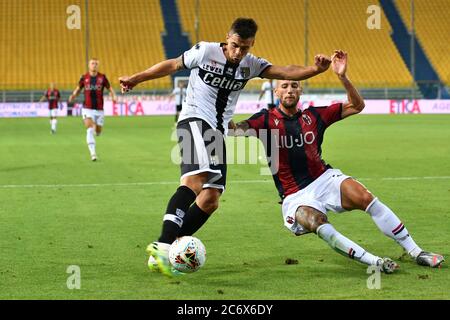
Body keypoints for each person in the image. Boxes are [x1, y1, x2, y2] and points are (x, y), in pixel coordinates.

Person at [119, 17, 331, 276]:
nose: (239, 52)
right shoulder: (205, 51)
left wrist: (315, 70)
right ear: (227, 38)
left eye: (245, 48)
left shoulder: (251, 64)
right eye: (235, 45)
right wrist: (136, 79)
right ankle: (163, 244)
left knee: (210, 198)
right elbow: (172, 64)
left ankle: (171, 245)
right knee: (195, 180)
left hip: (218, 133)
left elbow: (286, 71)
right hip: (195, 119)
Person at [231, 50, 444, 272]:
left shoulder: (314, 116)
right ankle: (375, 262)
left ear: (301, 89)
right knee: (316, 222)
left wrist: (342, 77)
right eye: (284, 86)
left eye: (294, 86)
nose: (289, 90)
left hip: (324, 178)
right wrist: (220, 113)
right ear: (275, 91)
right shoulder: (264, 120)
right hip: (294, 195)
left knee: (367, 198)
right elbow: (236, 131)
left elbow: (357, 106)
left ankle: (416, 251)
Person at [68, 58, 116, 161]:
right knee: (89, 129)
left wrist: (114, 96)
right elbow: (78, 89)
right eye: (92, 63)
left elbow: (110, 88)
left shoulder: (102, 77)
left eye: (96, 64)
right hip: (87, 108)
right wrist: (73, 95)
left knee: (98, 131)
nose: (94, 65)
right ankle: (93, 154)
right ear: (89, 65)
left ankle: (97, 129)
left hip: (99, 109)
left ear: (98, 66)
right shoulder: (84, 77)